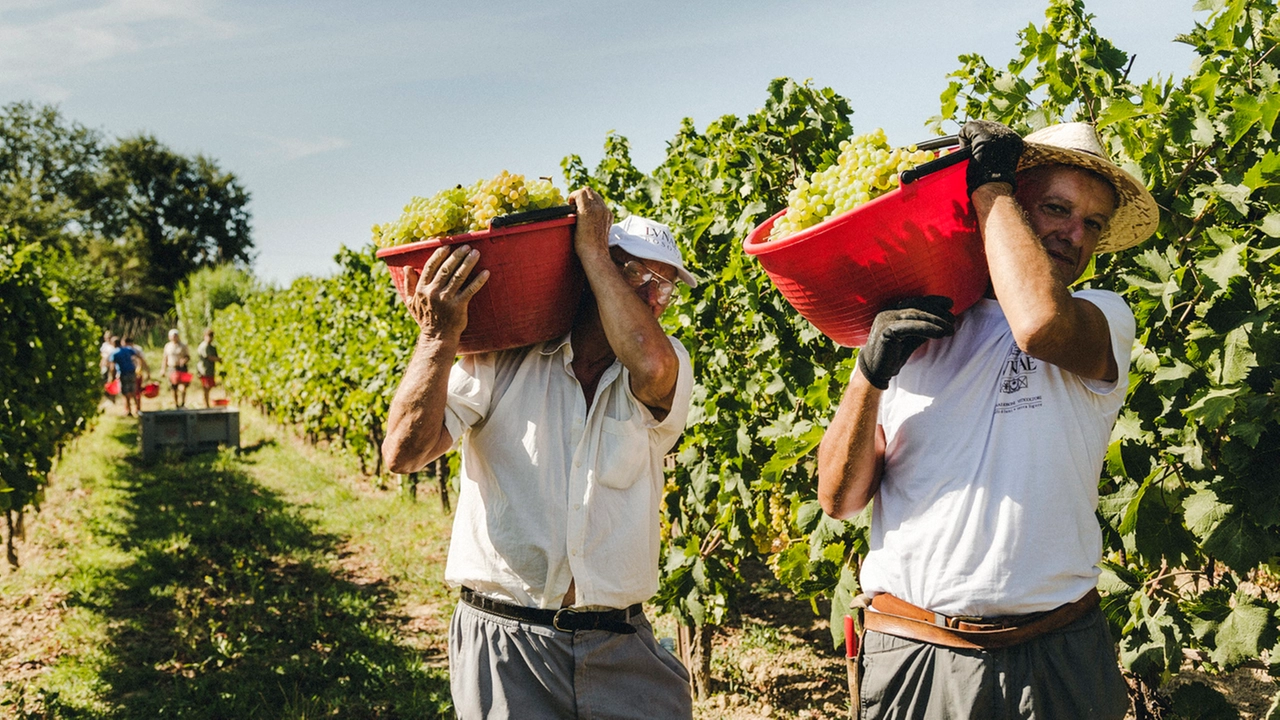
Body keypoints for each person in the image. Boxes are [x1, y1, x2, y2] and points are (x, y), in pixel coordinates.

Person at [816, 121, 1159, 720]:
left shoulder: (1101, 317)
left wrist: (992, 183)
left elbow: (1038, 326)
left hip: (1056, 653)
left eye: (1093, 223)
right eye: (1056, 208)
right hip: (920, 652)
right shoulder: (908, 327)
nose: (1076, 234)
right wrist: (868, 374)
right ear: (1011, 206)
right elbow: (839, 499)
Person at [381, 188, 697, 719]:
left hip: (621, 645)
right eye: (637, 275)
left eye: (666, 285)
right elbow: (404, 453)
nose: (654, 296)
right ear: (585, 272)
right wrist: (438, 339)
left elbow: (650, 361)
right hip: (508, 646)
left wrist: (596, 250)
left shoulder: (665, 367)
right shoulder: (499, 359)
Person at [109, 334, 150, 417]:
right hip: (132, 372)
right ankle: (137, 409)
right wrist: (143, 368)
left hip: (123, 373)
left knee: (126, 392)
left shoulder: (114, 353)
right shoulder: (128, 349)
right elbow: (139, 356)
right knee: (134, 390)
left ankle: (129, 410)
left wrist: (111, 378)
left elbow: (112, 367)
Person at [162, 328, 192, 408]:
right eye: (173, 336)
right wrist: (163, 369)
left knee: (183, 386)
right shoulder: (167, 346)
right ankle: (176, 404)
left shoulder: (183, 345)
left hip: (182, 368)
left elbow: (188, 356)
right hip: (172, 368)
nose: (174, 337)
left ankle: (183, 403)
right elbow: (165, 358)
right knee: (173, 387)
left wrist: (184, 360)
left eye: (176, 336)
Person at [196, 328, 221, 408]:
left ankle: (206, 402)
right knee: (206, 387)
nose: (210, 338)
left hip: (210, 370)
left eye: (211, 336)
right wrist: (219, 359)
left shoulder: (211, 347)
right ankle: (206, 404)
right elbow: (209, 357)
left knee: (209, 386)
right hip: (204, 370)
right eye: (208, 336)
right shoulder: (204, 346)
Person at [99, 330, 116, 403]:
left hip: (111, 365)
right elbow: (102, 354)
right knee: (104, 380)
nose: (107, 339)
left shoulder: (113, 346)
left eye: (109, 337)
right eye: (106, 338)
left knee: (112, 380)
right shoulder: (104, 345)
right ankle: (107, 397)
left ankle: (112, 398)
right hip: (104, 365)